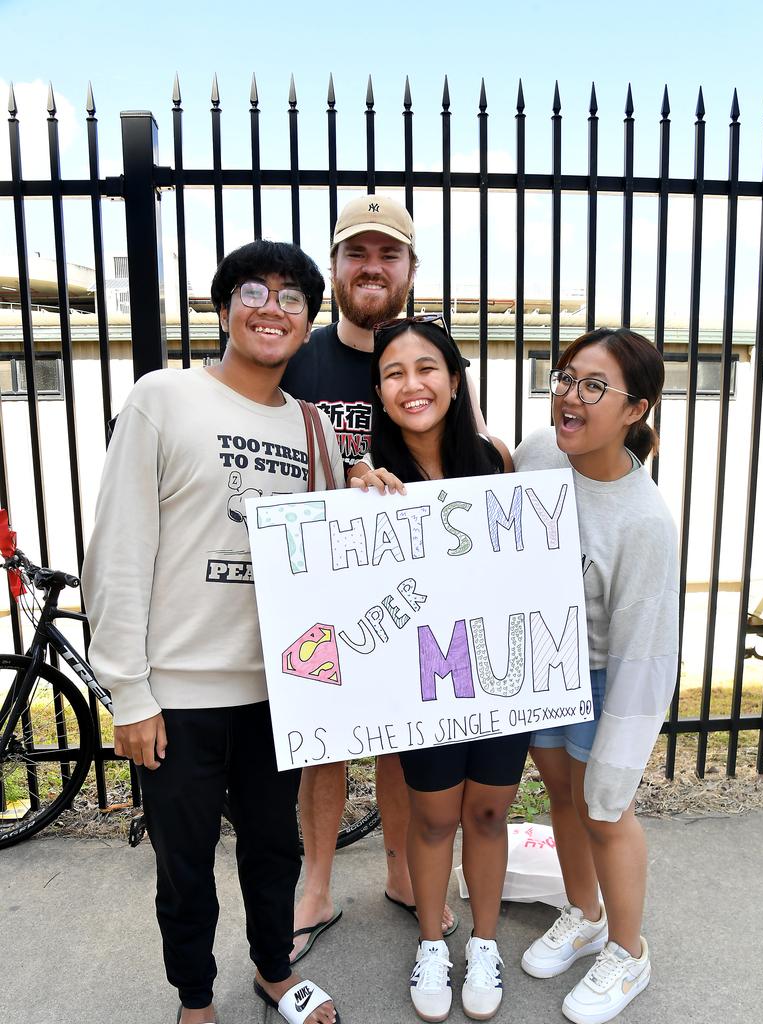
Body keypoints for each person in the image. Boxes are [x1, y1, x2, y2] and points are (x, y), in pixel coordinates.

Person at [81, 241, 345, 1024]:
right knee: (185, 864)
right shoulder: (163, 399)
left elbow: (332, 549)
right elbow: (118, 549)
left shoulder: (312, 426)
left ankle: (273, 972)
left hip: (277, 691)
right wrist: (128, 692)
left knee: (275, 852)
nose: (274, 306)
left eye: (293, 297)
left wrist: (367, 486)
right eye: (255, 291)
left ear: (306, 327)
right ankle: (194, 1000)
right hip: (178, 694)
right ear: (223, 307)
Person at [281, 195, 486, 959]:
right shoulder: (298, 354)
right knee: (323, 748)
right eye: (356, 253)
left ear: (410, 269)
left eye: (388, 253)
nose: (372, 266)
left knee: (407, 741)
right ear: (334, 267)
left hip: (413, 589)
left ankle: (404, 874)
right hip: (321, 588)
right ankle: (318, 886)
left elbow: (462, 458)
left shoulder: (429, 354)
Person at [351, 315, 527, 1023]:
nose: (412, 384)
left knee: (488, 811)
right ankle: (431, 941)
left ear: (454, 382)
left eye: (427, 368)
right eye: (394, 373)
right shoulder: (368, 478)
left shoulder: (498, 459)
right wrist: (362, 500)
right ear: (381, 393)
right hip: (423, 680)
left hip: (497, 672)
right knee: (431, 819)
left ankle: (484, 942)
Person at [513, 328, 679, 1024]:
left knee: (604, 808)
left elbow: (647, 649)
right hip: (542, 663)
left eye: (592, 386)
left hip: (607, 674)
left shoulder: (644, 521)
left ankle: (627, 948)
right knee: (560, 795)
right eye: (565, 378)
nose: (569, 399)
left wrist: (620, 752)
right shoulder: (536, 453)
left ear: (634, 408)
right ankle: (582, 912)